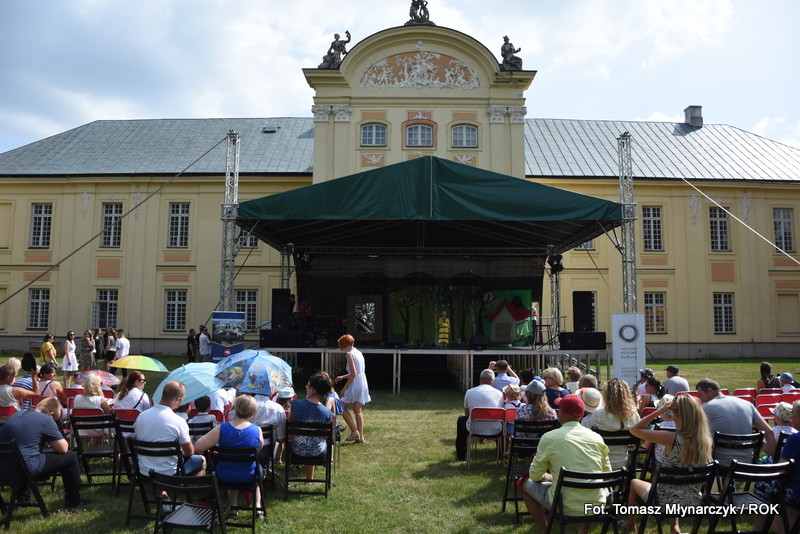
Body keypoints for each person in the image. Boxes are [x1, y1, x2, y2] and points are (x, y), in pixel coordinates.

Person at [522, 394, 611, 534]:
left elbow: (534, 475)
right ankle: (584, 530)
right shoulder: (597, 438)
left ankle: (546, 531)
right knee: (598, 489)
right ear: (581, 415)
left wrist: (549, 477)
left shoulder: (550, 438)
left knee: (524, 484)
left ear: (561, 413)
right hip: (596, 503)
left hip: (564, 503)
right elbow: (607, 475)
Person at [625, 395, 713, 533]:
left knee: (635, 482)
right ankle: (674, 527)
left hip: (664, 501)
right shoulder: (704, 442)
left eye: (674, 414)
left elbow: (634, 430)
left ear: (679, 416)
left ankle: (630, 525)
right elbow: (703, 482)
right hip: (693, 501)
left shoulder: (670, 438)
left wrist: (660, 410)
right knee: (676, 486)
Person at [0, 397, 86, 511]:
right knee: (70, 457)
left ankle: (22, 501)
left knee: (25, 454)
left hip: (4, 468)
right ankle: (73, 501)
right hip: (24, 469)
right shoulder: (46, 419)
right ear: (51, 414)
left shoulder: (17, 415)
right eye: (55, 418)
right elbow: (64, 448)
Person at [195, 395, 264, 519]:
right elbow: (259, 449)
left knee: (232, 466)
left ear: (235, 409)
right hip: (249, 475)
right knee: (256, 469)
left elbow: (198, 447)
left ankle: (233, 508)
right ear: (253, 411)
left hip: (224, 474)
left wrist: (217, 454)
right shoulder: (257, 430)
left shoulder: (222, 428)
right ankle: (257, 508)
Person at [696, 378, 776, 464]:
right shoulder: (747, 404)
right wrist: (776, 461)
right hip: (748, 462)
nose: (701, 399)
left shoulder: (705, 408)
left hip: (720, 463)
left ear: (709, 391)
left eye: (701, 395)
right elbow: (769, 432)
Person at [133, 381, 205, 476]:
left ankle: (163, 490)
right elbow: (189, 452)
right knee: (202, 460)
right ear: (178, 399)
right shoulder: (178, 421)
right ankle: (187, 489)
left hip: (144, 470)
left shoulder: (141, 416)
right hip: (169, 471)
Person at [289, 374, 334, 480]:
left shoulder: (295, 404)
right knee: (312, 441)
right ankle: (309, 479)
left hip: (296, 450)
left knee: (305, 441)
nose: (306, 387)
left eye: (308, 385)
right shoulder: (327, 412)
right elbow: (325, 435)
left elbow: (289, 422)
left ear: (312, 390)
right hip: (317, 451)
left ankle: (307, 477)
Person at [588, 377, 640, 469]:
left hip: (601, 464)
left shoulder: (598, 415)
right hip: (623, 464)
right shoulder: (634, 415)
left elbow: (589, 438)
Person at [455, 369, 503, 461]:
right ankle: (501, 453)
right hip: (495, 428)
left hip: (474, 427)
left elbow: (467, 414)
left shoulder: (469, 392)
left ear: (480, 379)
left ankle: (461, 456)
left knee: (461, 420)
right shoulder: (499, 394)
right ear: (493, 381)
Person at [335, 334, 371, 444]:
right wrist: (343, 376)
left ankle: (354, 431)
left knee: (340, 407)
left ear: (343, 345)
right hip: (362, 382)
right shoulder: (358, 353)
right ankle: (360, 438)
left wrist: (345, 387)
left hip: (355, 383)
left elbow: (353, 374)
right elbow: (356, 372)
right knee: (357, 410)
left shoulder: (349, 354)